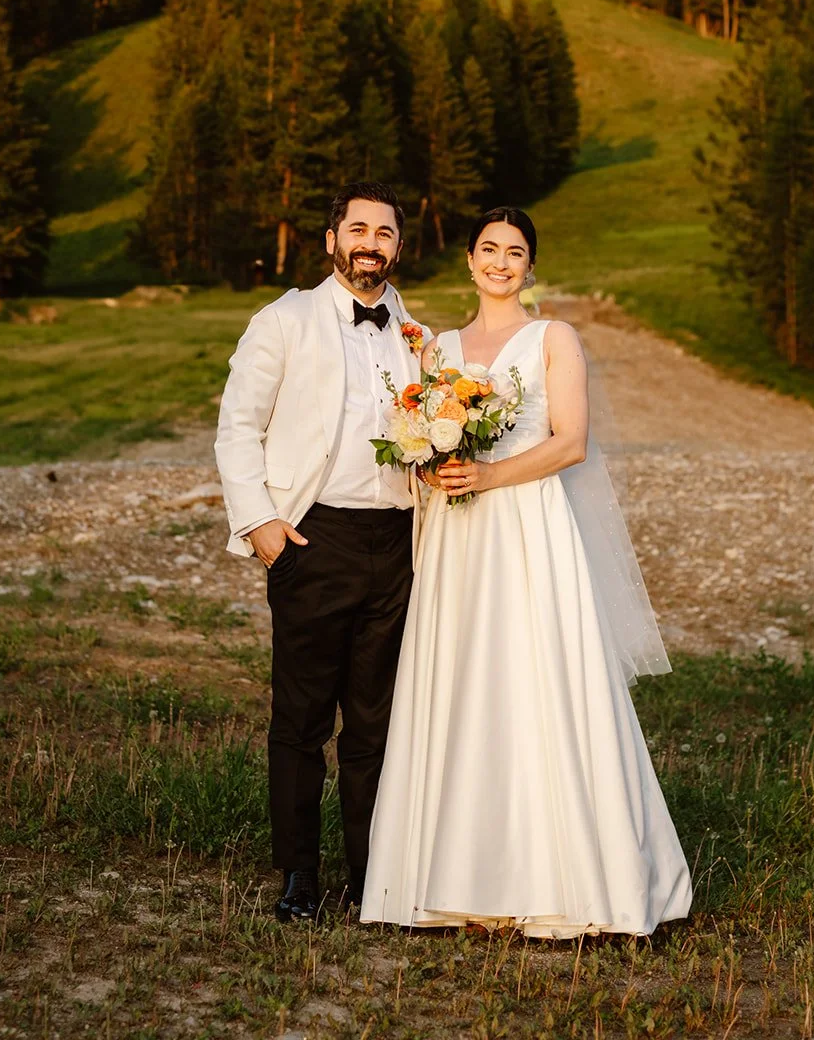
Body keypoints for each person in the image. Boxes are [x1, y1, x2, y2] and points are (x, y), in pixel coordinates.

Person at [362, 206, 692, 937]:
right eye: (489, 249)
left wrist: (489, 476)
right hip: (458, 538)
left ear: (529, 266)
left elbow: (570, 443)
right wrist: (434, 464)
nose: (501, 262)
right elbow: (417, 436)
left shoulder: (554, 338)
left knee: (536, 678)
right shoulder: (438, 345)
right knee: (462, 680)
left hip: (529, 526)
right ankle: (454, 881)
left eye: (515, 252)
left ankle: (565, 877)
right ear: (468, 260)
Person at [215, 182, 428, 923]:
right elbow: (236, 427)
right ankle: (299, 873)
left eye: (385, 232)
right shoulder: (283, 321)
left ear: (400, 247)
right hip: (313, 538)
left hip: (398, 543)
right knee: (302, 719)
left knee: (376, 721)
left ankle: (371, 872)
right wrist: (262, 526)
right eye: (357, 228)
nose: (371, 242)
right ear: (331, 238)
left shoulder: (416, 336)